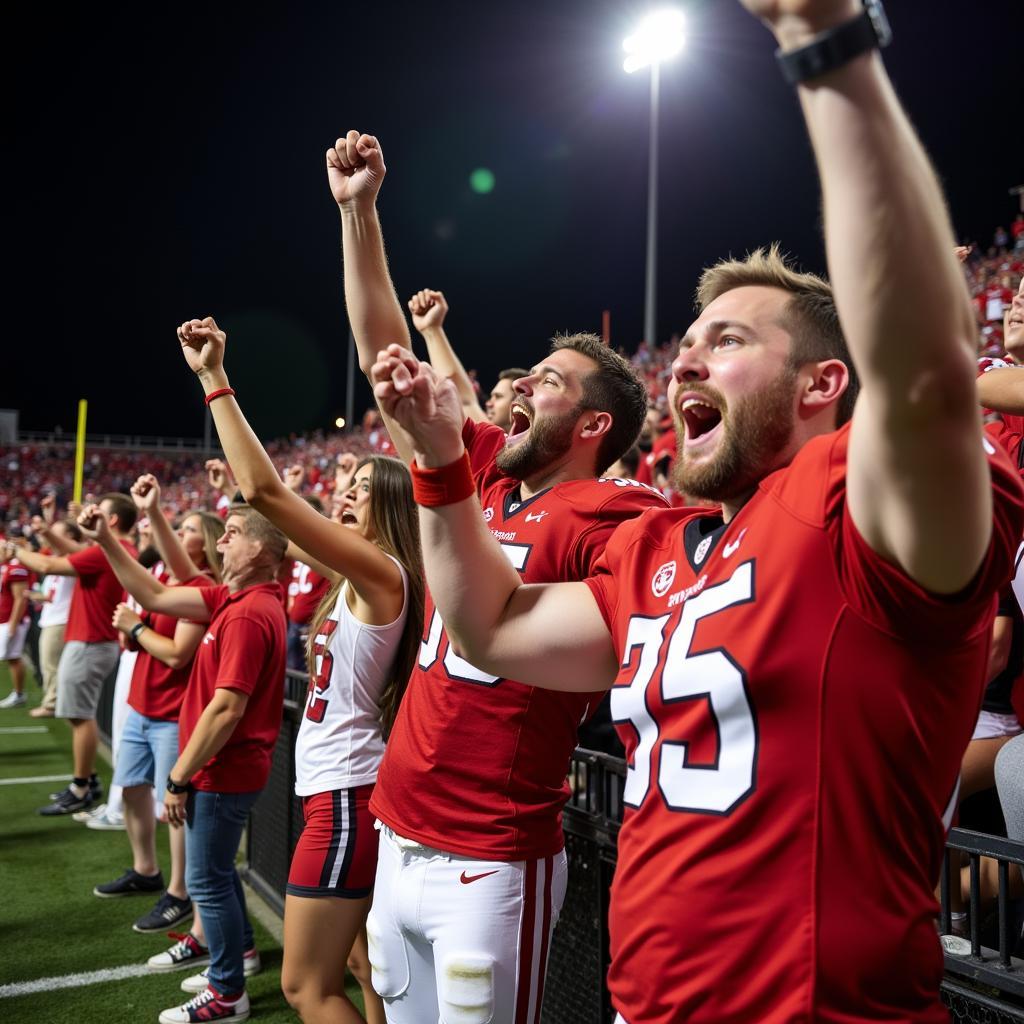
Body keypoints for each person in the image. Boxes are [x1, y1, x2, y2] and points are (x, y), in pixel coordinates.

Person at [370, 1, 1024, 1019]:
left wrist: (828, 48)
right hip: (647, 999)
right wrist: (439, 466)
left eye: (725, 339)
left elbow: (926, 384)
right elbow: (492, 624)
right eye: (686, 339)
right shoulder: (661, 549)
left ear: (819, 385)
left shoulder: (857, 507)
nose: (683, 356)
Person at [329, 128, 665, 1023]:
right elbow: (381, 352)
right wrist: (358, 211)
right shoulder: (484, 470)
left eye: (548, 383)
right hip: (399, 828)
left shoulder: (617, 515)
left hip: (493, 850)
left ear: (595, 425)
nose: (519, 391)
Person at [176, 314, 424, 1024]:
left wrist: (215, 379)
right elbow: (269, 511)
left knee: (303, 988)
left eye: (360, 489)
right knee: (358, 963)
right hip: (339, 789)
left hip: (347, 795)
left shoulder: (382, 574)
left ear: (392, 509)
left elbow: (267, 499)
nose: (342, 496)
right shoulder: (359, 575)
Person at [77, 498, 287, 1024]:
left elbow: (226, 709)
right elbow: (152, 592)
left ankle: (226, 992)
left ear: (259, 548)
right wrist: (105, 537)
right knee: (215, 873)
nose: (220, 541)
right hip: (223, 769)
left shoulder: (249, 613)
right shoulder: (234, 600)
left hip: (222, 771)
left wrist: (178, 776)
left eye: (231, 532)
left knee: (207, 880)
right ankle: (238, 956)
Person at [92, 476, 225, 937]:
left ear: (203, 544)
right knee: (130, 788)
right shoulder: (165, 579)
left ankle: (178, 892)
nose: (178, 531)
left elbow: (176, 653)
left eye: (188, 527)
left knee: (175, 810)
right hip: (140, 706)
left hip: (172, 712)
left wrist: (134, 627)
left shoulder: (202, 586)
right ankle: (145, 868)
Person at [4, 492, 139, 815]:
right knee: (78, 713)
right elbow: (73, 550)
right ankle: (86, 780)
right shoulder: (116, 549)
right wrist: (46, 532)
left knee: (80, 716)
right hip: (93, 639)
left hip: (90, 641)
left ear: (113, 520)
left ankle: (83, 785)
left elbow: (49, 563)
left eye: (100, 510)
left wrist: (13, 550)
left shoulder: (109, 550)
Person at [27, 520, 80, 718]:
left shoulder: (72, 559)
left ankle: (52, 703)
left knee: (51, 665)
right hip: (52, 617)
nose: (50, 536)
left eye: (55, 533)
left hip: (60, 620)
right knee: (49, 663)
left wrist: (16, 550)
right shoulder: (57, 557)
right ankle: (53, 701)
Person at [0, 532, 34, 708]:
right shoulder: (6, 566)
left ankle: (19, 694)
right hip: (4, 618)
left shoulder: (16, 568)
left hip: (11, 620)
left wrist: (13, 624)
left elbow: (21, 598)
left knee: (13, 657)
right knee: (10, 657)